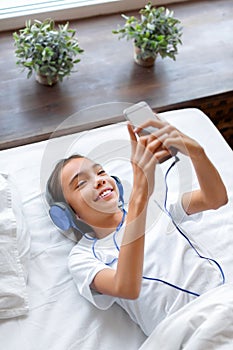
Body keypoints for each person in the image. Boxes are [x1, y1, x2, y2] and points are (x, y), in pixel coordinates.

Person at [46, 118, 228, 336]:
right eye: (81, 183)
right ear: (67, 213)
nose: (99, 180)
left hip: (224, 303)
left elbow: (215, 198)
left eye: (101, 172)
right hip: (182, 334)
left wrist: (196, 152)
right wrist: (139, 197)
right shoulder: (82, 257)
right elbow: (126, 288)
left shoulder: (156, 208)